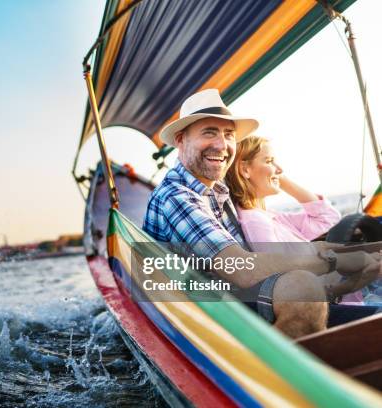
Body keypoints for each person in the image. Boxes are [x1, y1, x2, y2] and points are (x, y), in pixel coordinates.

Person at [143, 88, 379, 338]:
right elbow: (242, 269)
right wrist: (337, 261)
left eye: (229, 135)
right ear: (181, 140)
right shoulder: (176, 196)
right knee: (303, 286)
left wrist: (357, 256)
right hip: (202, 316)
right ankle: (269, 373)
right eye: (209, 133)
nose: (222, 145)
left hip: (236, 300)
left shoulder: (219, 190)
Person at [225, 135, 377, 305]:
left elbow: (327, 218)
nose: (280, 169)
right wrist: (342, 285)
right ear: (244, 169)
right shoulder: (255, 221)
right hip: (335, 302)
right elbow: (280, 273)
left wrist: (276, 177)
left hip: (350, 296)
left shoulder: (272, 217)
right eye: (269, 161)